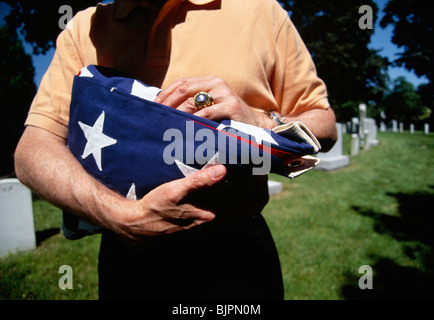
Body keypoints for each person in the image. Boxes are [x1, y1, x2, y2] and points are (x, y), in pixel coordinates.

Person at [14, 0, 337, 300]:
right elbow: (32, 150)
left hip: (237, 256)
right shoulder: (85, 27)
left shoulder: (260, 11)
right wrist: (119, 214)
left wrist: (258, 120)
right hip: (126, 258)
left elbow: (324, 124)